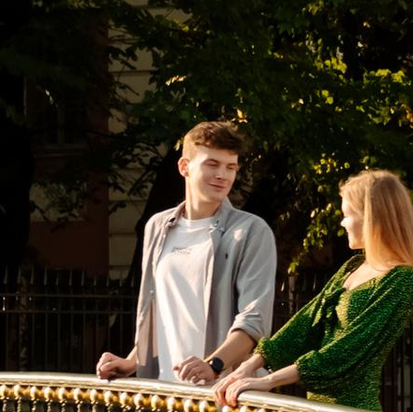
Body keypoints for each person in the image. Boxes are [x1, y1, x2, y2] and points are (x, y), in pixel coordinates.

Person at [221, 168, 413, 412]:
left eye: (348, 214)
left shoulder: (402, 280)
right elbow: (304, 324)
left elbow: (346, 353)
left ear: (372, 218)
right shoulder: (353, 267)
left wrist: (268, 381)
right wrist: (249, 366)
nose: (342, 222)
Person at [98, 121, 278, 390]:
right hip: (166, 394)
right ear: (184, 166)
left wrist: (214, 365)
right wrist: (133, 360)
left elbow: (254, 321)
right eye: (212, 164)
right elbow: (160, 311)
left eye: (231, 167)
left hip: (225, 395)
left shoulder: (250, 231)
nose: (223, 175)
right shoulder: (158, 227)